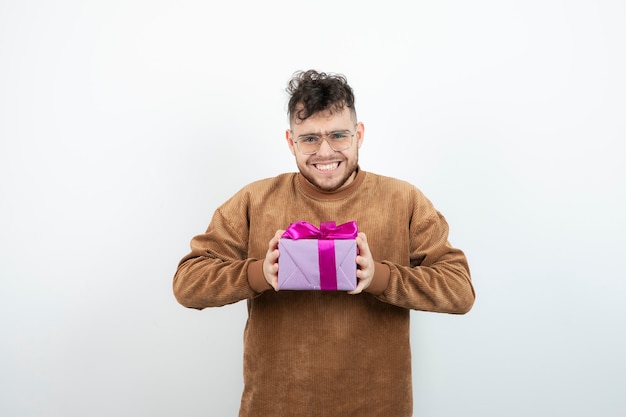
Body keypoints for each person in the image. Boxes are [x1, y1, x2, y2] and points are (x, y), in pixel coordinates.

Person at [173, 69, 475, 417]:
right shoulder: (254, 201)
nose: (325, 151)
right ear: (291, 141)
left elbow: (460, 291)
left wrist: (379, 278)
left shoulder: (403, 200)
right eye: (310, 139)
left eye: (338, 135)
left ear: (359, 135)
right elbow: (187, 284)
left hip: (377, 406)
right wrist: (260, 273)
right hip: (275, 406)